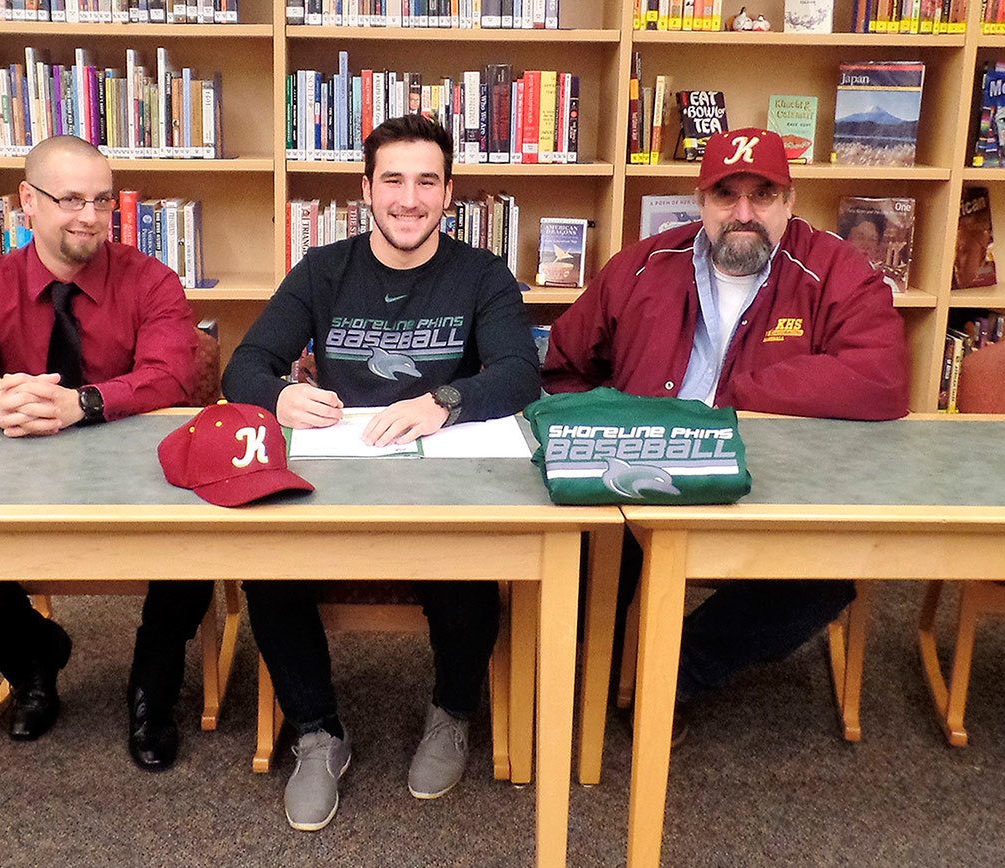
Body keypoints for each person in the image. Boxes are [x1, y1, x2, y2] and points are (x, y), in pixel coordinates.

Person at [222, 114, 540, 831]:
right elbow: (241, 365)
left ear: (449, 194)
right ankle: (316, 734)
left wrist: (445, 400)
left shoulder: (480, 273)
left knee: (470, 570)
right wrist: (279, 393)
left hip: (440, 475)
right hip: (335, 472)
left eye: (427, 181)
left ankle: (451, 712)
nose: (408, 198)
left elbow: (522, 373)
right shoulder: (322, 270)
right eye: (392, 180)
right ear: (365, 189)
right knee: (269, 567)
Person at [542, 127, 908, 737]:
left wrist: (726, 397)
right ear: (700, 200)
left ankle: (677, 670)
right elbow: (564, 364)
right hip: (646, 467)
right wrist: (613, 428)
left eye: (762, 195)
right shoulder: (641, 265)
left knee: (823, 576)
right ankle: (596, 679)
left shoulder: (835, 270)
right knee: (587, 544)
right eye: (725, 196)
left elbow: (883, 379)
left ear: (789, 201)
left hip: (773, 477)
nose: (744, 213)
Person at [0, 135, 211, 772]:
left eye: (102, 201)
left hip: (139, 470)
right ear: (27, 201)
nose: (89, 217)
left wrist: (86, 403)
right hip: (24, 472)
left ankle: (152, 688)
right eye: (70, 199)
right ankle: (33, 657)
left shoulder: (152, 280)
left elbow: (174, 375)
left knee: (195, 540)